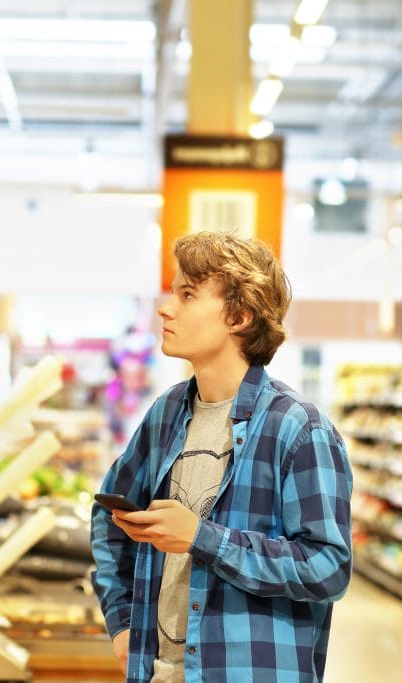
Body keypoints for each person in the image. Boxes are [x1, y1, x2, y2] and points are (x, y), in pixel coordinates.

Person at [90, 231, 352, 683]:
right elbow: (106, 514)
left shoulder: (298, 429)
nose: (166, 308)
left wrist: (202, 538)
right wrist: (122, 625)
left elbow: (328, 567)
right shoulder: (167, 415)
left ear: (239, 315)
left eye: (188, 295)